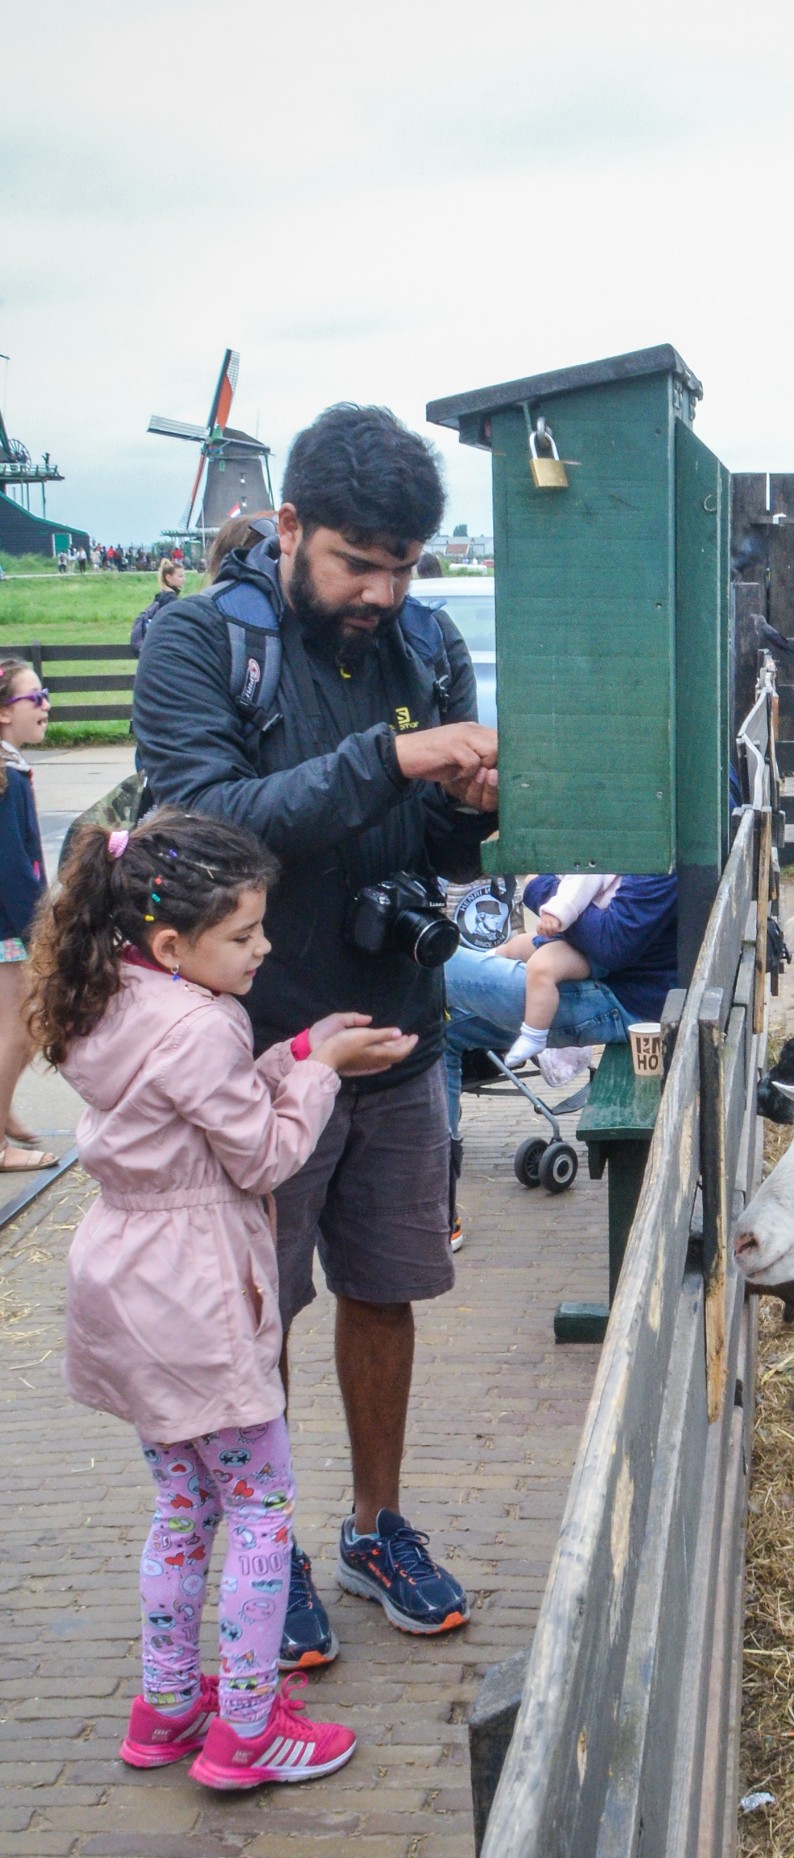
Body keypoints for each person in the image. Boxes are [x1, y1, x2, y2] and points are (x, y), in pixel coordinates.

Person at [132, 403, 497, 1666]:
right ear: (288, 525)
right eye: (357, 560)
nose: (383, 592)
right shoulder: (193, 643)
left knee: (386, 1291)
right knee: (256, 1313)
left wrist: (469, 808)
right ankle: (264, 1542)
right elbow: (207, 827)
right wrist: (398, 758)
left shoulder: (428, 643)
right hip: (257, 1060)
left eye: (404, 565)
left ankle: (374, 1520)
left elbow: (442, 847)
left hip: (398, 1039)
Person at [28, 810, 415, 1787]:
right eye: (244, 933)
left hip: (126, 1284)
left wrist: (292, 1053)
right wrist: (320, 1073)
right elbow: (263, 1153)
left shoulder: (108, 998)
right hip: (195, 1289)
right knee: (260, 1507)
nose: (264, 946)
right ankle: (247, 1721)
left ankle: (165, 1705)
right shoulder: (203, 1022)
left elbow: (201, 1107)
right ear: (172, 943)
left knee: (182, 1500)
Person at [443, 869, 679, 1144]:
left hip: (624, 1002)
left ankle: (534, 1035)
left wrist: (538, 887)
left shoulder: (657, 857)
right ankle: (440, 1154)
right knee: (437, 1024)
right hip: (607, 976)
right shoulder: (630, 845)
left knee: (436, 965)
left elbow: (611, 943)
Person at [0, 660, 55, 1170]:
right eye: (33, 698)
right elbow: (15, 867)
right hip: (8, 926)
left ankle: (4, 1114)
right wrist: (39, 931)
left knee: (18, 1025)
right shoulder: (7, 777)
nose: (45, 706)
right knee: (19, 1028)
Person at [496, 872, 620, 1068]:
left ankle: (534, 1035)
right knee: (515, 946)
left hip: (589, 946)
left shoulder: (600, 853)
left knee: (542, 968)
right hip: (573, 930)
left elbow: (582, 880)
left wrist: (555, 912)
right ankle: (485, 961)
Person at [130, 558, 186, 653]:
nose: (184, 579)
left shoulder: (161, 596)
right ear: (168, 578)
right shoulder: (171, 599)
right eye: (180, 576)